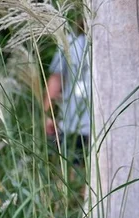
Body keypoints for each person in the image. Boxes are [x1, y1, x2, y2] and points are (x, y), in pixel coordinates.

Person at [44, 21, 90, 164]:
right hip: (85, 124)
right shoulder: (113, 43)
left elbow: (56, 80)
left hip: (72, 124)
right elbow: (56, 81)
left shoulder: (70, 42)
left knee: (73, 174)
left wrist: (48, 115)